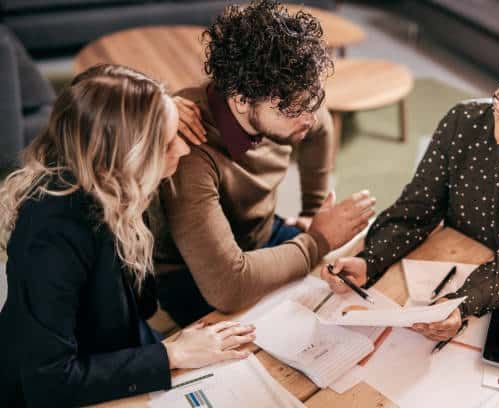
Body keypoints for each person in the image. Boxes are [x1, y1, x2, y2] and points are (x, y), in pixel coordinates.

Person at [0, 64, 256, 407]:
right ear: (124, 157)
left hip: (119, 347)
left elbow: (139, 305)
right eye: (166, 143)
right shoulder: (52, 239)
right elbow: (49, 381)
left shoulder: (118, 189)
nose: (182, 149)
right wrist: (170, 355)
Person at [321, 42, 499, 341]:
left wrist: (463, 303)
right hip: (457, 261)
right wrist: (370, 260)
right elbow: (416, 209)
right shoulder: (464, 121)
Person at [153, 0, 375, 325]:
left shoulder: (286, 103)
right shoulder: (191, 150)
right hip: (197, 275)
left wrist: (312, 213)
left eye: (312, 100)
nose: (308, 118)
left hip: (259, 236)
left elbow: (321, 125)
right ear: (242, 100)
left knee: (344, 287)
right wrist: (318, 239)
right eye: (294, 110)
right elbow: (228, 287)